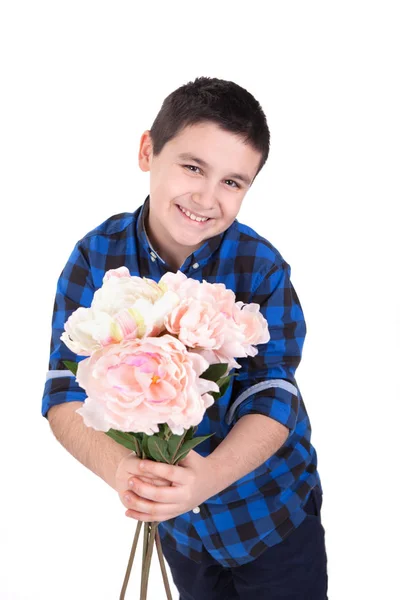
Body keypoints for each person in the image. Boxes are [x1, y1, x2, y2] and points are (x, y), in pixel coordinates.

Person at [42, 76, 328, 599]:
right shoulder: (95, 258)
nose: (206, 197)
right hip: (181, 527)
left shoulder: (260, 267)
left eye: (232, 182)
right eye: (193, 167)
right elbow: (63, 388)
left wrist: (210, 477)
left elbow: (274, 393)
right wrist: (123, 470)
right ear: (148, 150)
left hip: (270, 513)